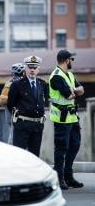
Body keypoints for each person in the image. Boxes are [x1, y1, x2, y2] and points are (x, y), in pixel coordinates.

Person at [49, 49, 84, 190]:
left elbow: (81, 89)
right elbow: (68, 96)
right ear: (66, 60)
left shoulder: (68, 74)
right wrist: (74, 91)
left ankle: (68, 176)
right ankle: (59, 177)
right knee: (61, 148)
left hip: (72, 118)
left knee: (75, 145)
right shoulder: (56, 76)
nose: (72, 62)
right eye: (71, 59)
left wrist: (73, 91)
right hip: (62, 119)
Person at [7, 55, 48, 156]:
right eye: (30, 67)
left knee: (35, 155)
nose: (32, 70)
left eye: (35, 67)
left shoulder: (42, 84)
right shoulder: (17, 84)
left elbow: (44, 100)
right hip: (22, 124)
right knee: (19, 155)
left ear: (39, 69)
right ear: (26, 68)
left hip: (37, 125)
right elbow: (10, 104)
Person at [0, 63, 25, 143]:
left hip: (8, 111)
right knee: (18, 133)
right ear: (23, 72)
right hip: (19, 111)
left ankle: (11, 146)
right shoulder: (23, 82)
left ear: (13, 72)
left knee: (11, 130)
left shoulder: (8, 83)